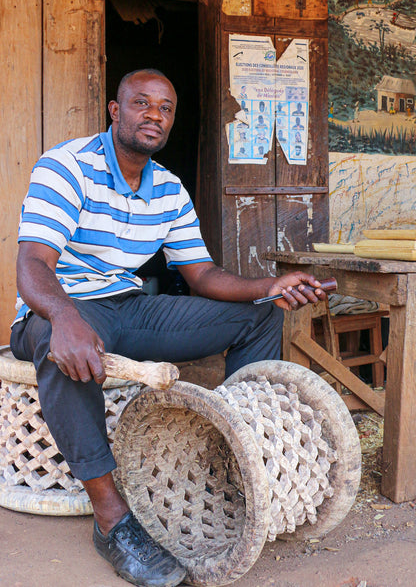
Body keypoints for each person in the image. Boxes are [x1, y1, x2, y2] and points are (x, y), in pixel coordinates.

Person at [10, 69, 325, 587]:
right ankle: (111, 519)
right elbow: (33, 265)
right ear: (116, 111)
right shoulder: (67, 167)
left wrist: (272, 285)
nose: (153, 115)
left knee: (262, 313)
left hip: (131, 308)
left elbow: (201, 275)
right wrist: (64, 317)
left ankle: (233, 459)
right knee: (59, 346)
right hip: (60, 306)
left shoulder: (170, 190)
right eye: (140, 103)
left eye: (165, 108)